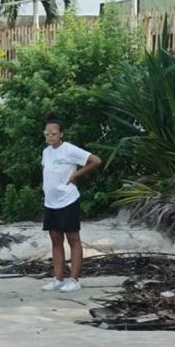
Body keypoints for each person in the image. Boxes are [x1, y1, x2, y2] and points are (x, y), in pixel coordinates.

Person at [41, 114, 102, 293]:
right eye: (47, 133)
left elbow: (96, 161)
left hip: (68, 200)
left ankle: (74, 279)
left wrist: (76, 175)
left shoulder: (69, 149)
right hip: (50, 203)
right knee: (55, 240)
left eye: (53, 133)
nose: (49, 136)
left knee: (73, 240)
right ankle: (58, 279)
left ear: (61, 134)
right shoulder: (46, 152)